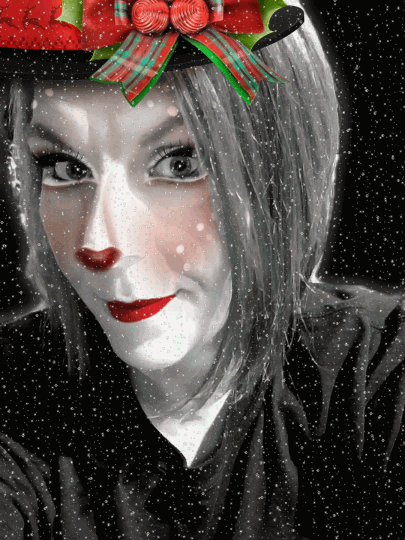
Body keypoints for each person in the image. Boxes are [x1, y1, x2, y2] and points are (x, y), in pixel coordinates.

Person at [0, 0, 404, 539]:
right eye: (65, 167)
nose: (99, 242)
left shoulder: (380, 373)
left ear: (281, 168)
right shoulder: (18, 390)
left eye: (180, 163)